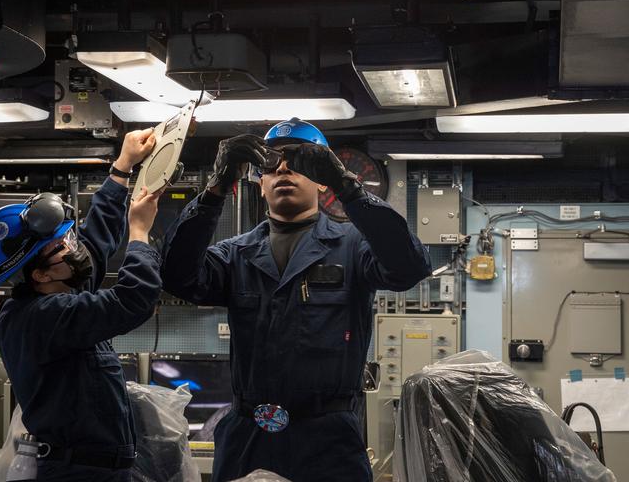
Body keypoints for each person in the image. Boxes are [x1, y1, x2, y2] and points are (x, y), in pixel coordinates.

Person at [160, 118, 431, 482]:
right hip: (249, 436)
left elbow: (409, 267)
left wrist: (347, 188)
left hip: (328, 439)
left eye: (299, 161)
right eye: (272, 164)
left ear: (322, 179)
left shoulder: (353, 247)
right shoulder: (235, 255)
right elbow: (177, 276)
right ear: (260, 183)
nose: (284, 169)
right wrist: (216, 187)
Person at [0, 128, 163, 482]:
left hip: (94, 468)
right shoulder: (46, 317)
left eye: (66, 238)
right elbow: (133, 300)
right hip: (77, 473)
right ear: (40, 275)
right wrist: (139, 234)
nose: (73, 249)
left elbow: (96, 238)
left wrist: (123, 167)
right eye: (60, 248)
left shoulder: (55, 292)